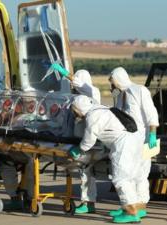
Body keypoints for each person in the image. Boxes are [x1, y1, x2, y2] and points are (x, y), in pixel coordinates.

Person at [69, 95, 144, 223]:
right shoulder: (102, 108)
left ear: (79, 109)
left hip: (123, 144)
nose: (75, 114)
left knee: (121, 179)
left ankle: (131, 213)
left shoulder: (93, 117)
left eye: (75, 111)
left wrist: (78, 149)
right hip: (135, 140)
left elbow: (88, 141)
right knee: (130, 178)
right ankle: (130, 207)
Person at [107, 67, 159, 220]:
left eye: (113, 83)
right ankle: (130, 205)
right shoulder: (121, 95)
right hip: (128, 139)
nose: (112, 86)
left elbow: (151, 112)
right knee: (129, 172)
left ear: (118, 79)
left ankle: (140, 206)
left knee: (142, 173)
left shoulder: (139, 90)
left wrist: (153, 134)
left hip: (145, 138)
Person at [71, 70, 102, 214]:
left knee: (86, 174)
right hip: (83, 141)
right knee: (85, 173)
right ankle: (87, 202)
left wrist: (64, 72)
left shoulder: (92, 92)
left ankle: (88, 203)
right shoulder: (80, 96)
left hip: (89, 142)